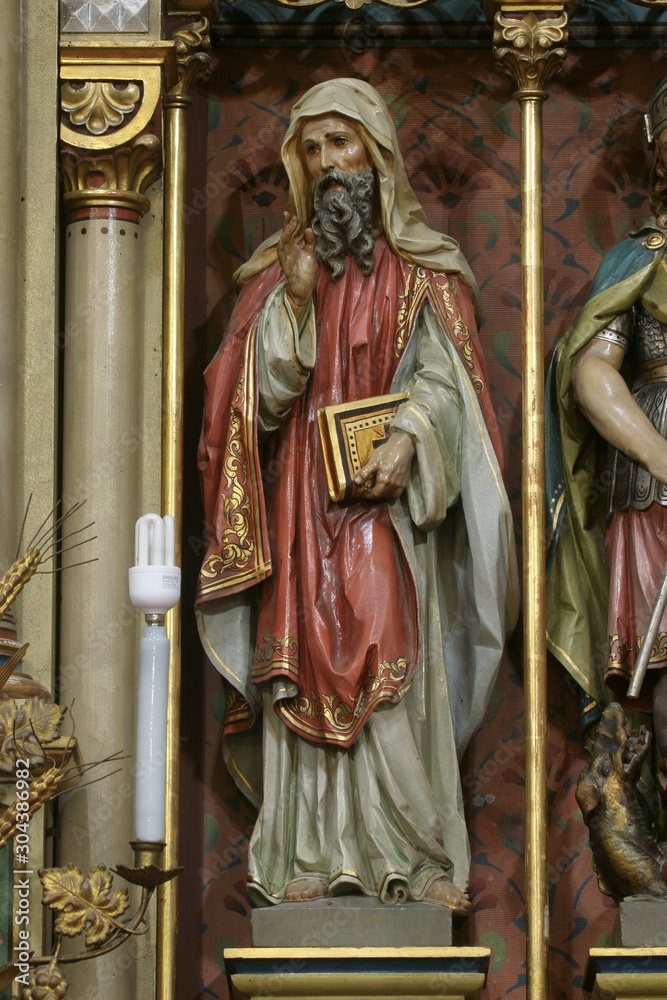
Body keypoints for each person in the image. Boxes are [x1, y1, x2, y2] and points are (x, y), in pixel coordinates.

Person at [196, 78, 517, 912]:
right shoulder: (274, 276)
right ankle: (306, 852)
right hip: (300, 500)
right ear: (298, 167)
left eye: (343, 143)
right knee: (301, 664)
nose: (329, 162)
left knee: (385, 650)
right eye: (313, 147)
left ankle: (408, 856)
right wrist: (297, 300)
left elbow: (449, 388)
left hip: (385, 508)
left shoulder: (425, 274)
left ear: (375, 153)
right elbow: (249, 401)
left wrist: (410, 437)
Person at [546, 78, 667, 768]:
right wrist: (656, 454)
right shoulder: (639, 260)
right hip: (651, 470)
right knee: (658, 674)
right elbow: (591, 369)